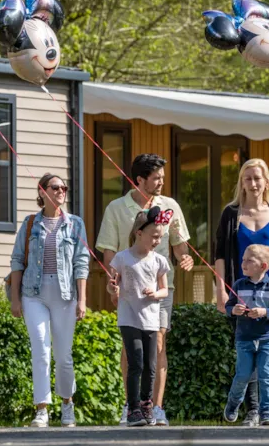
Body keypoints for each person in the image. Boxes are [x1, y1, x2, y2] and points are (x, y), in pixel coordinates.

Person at [96, 153, 193, 426]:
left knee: (158, 344)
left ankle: (156, 407)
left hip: (162, 288)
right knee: (131, 349)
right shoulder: (116, 208)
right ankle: (132, 406)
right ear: (139, 179)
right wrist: (113, 285)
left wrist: (185, 257)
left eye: (162, 177)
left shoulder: (170, 206)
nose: (161, 182)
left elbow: (180, 246)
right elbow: (109, 251)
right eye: (156, 178)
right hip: (129, 291)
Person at [213, 157, 269, 426]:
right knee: (247, 351)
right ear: (242, 182)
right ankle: (252, 410)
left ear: (266, 182)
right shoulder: (231, 214)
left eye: (257, 178)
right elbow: (219, 255)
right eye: (247, 178)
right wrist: (221, 290)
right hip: (241, 293)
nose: (253, 183)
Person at [9, 173, 90, 428]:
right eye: (55, 187)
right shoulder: (30, 223)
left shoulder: (75, 223)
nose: (61, 191)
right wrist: (15, 299)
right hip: (33, 294)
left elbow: (81, 262)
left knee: (63, 355)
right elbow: (17, 260)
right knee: (41, 352)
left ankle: (67, 404)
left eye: (64, 187)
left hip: (65, 295)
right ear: (42, 192)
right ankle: (42, 409)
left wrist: (82, 300)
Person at [107, 205, 173, 428]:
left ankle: (147, 404)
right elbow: (112, 285)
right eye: (154, 236)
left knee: (150, 365)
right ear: (139, 233)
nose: (157, 241)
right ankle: (133, 408)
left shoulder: (159, 260)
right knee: (135, 362)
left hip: (151, 320)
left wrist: (155, 293)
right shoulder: (122, 258)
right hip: (129, 318)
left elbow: (164, 290)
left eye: (160, 237)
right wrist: (112, 288)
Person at [223, 244, 269, 426]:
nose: (243, 263)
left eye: (249, 260)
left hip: (267, 339)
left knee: (266, 376)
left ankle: (267, 413)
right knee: (242, 375)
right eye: (243, 259)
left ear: (263, 266)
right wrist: (234, 310)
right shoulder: (239, 285)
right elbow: (228, 307)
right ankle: (233, 404)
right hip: (244, 339)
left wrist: (264, 312)